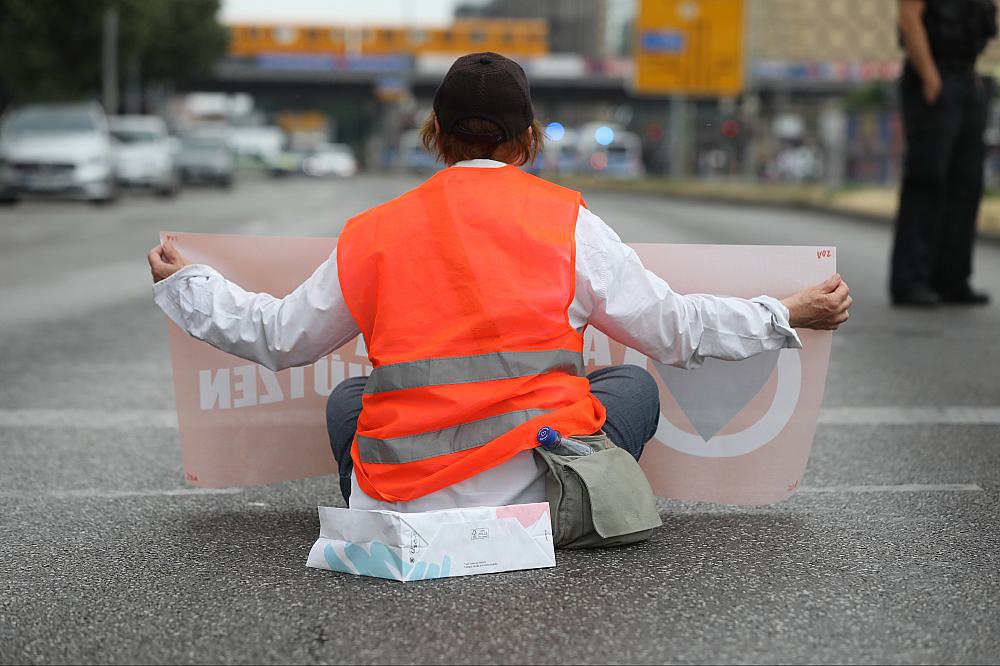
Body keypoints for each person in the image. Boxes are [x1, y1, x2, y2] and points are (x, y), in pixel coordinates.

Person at [148, 52, 852, 514]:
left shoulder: (374, 229)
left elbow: (279, 338)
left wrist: (189, 286)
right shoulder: (567, 223)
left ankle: (377, 499)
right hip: (540, 495)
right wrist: (784, 313)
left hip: (400, 498)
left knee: (348, 402)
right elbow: (675, 332)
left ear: (437, 136)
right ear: (528, 141)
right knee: (630, 386)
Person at [892, 0, 997, 306]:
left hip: (966, 78)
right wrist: (930, 76)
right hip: (933, 76)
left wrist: (969, 76)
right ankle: (911, 281)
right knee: (927, 180)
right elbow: (909, 18)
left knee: (967, 182)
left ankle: (952, 279)